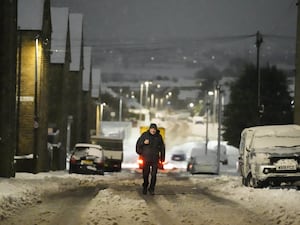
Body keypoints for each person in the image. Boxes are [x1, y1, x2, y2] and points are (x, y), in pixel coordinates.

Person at [136, 123, 165, 195]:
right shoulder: (144, 135)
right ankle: (145, 186)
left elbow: (162, 148)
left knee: (154, 174)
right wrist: (143, 144)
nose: (153, 130)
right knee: (145, 174)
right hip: (146, 158)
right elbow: (138, 145)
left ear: (156, 130)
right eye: (152, 129)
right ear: (150, 129)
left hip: (155, 159)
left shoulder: (159, 137)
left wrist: (162, 158)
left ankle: (152, 189)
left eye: (154, 129)